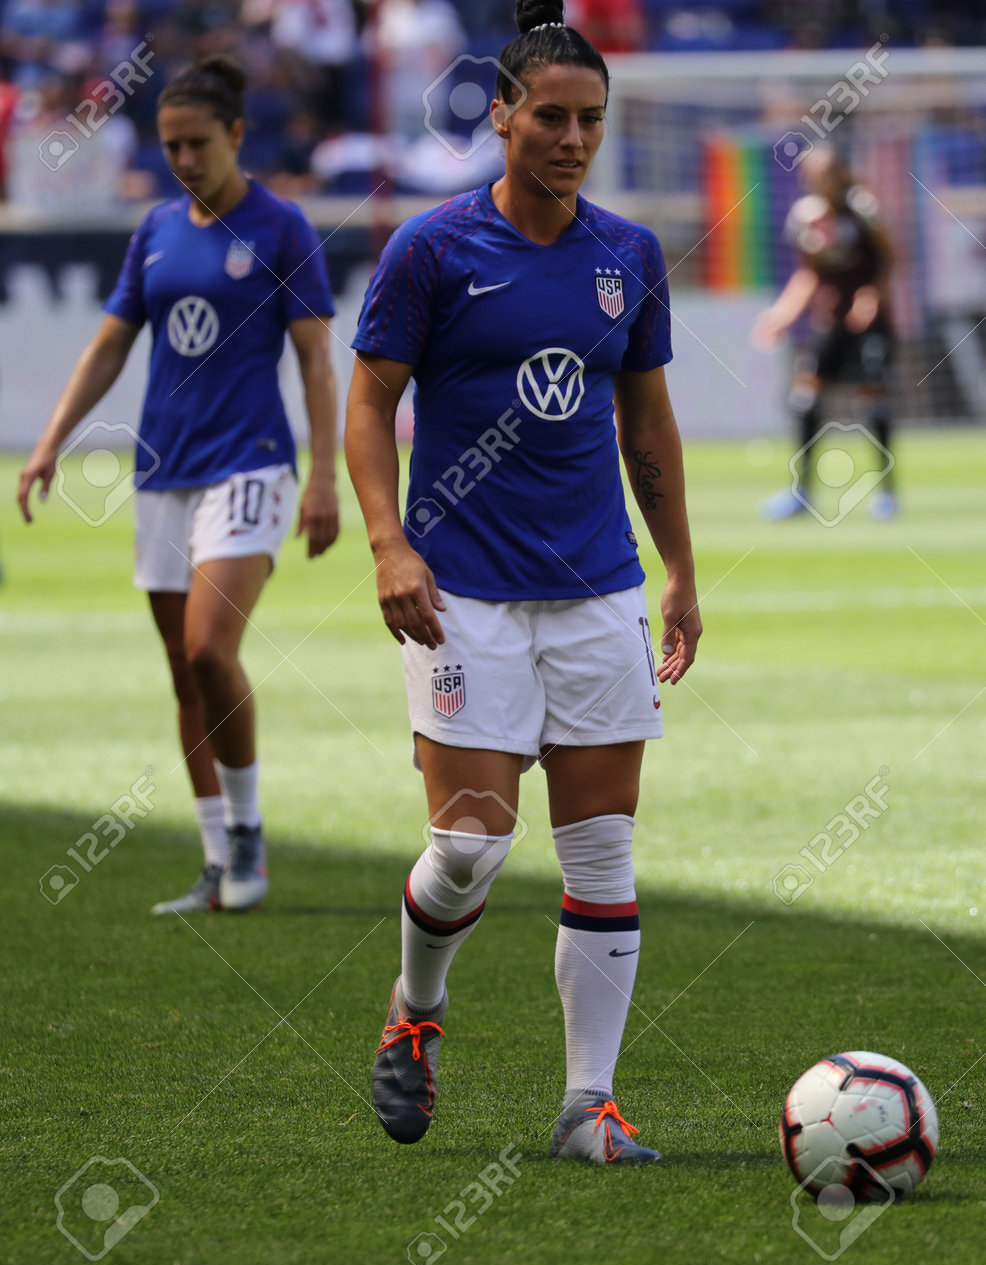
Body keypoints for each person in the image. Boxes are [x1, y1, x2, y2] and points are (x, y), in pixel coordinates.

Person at [345, 0, 701, 1164]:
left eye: (589, 121)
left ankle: (584, 1106)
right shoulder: (433, 250)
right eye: (548, 116)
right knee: (471, 849)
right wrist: (389, 544)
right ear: (498, 115)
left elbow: (646, 418)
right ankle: (415, 1009)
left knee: (601, 852)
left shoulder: (626, 255)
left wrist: (678, 568)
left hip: (595, 588)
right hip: (464, 592)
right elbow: (368, 400)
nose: (570, 138)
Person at [17, 57, 339, 914]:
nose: (184, 159)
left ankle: (247, 835)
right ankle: (213, 857)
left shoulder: (281, 229)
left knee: (209, 649)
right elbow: (112, 345)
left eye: (198, 143)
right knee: (180, 671)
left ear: (237, 134)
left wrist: (325, 478)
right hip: (161, 470)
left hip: (251, 463)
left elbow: (314, 360)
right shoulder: (156, 229)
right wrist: (51, 442)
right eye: (170, 146)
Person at [752, 146, 897, 520]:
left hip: (868, 321)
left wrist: (871, 297)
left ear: (842, 174)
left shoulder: (863, 209)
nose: (821, 182)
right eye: (814, 176)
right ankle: (801, 491)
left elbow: (889, 258)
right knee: (806, 395)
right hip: (831, 319)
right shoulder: (805, 218)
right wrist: (782, 314)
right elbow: (809, 274)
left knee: (872, 397)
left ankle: (887, 493)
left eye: (827, 173)